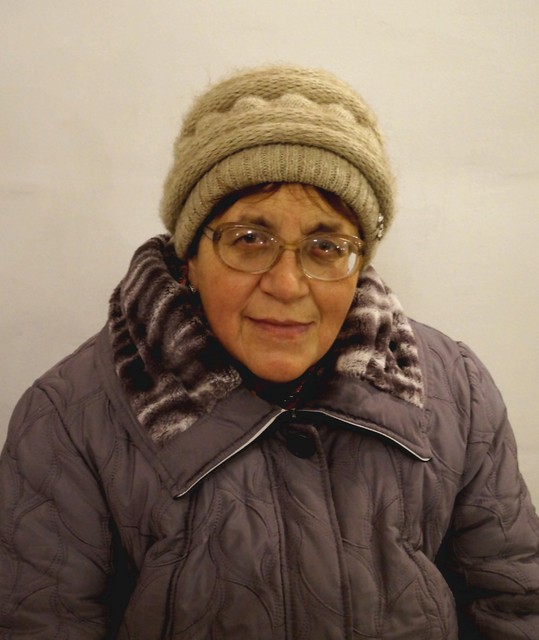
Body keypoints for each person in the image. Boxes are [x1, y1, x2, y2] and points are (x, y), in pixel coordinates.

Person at [1, 65, 538, 640]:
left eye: (325, 245)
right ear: (189, 258)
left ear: (358, 262)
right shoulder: (70, 419)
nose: (287, 284)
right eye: (249, 240)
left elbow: (515, 606)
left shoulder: (456, 392)